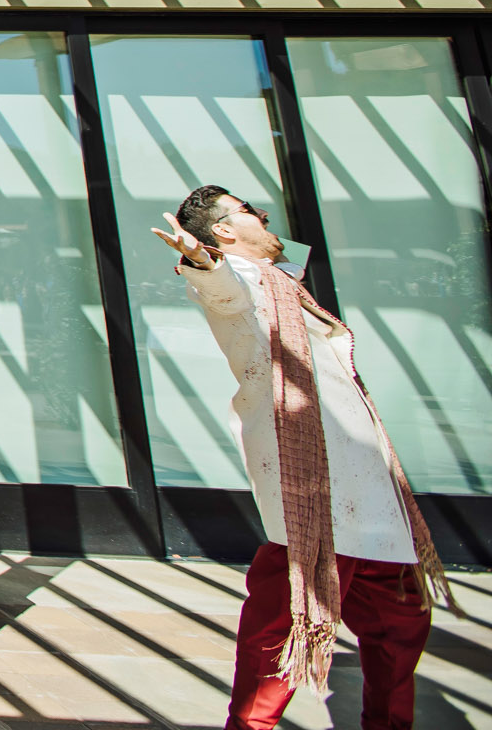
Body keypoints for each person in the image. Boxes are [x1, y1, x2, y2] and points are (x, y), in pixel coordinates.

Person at [153, 187, 453, 730]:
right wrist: (200, 258)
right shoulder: (242, 284)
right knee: (283, 627)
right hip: (318, 496)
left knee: (402, 621)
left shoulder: (284, 285)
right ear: (222, 231)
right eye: (247, 209)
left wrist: (250, 239)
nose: (263, 214)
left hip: (373, 493)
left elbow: (285, 253)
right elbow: (220, 287)